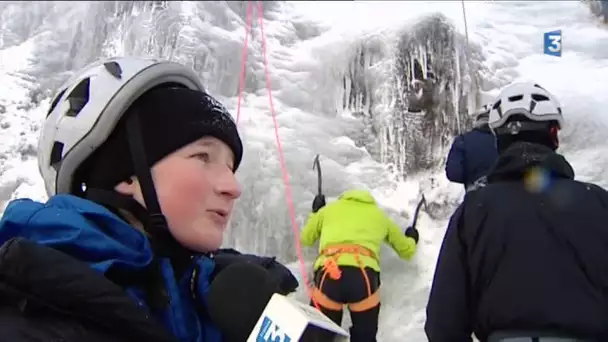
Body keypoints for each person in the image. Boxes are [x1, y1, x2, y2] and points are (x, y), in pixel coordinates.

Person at [0, 57, 298, 341]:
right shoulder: (26, 321)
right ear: (126, 174)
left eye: (231, 167)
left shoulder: (229, 304)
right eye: (203, 157)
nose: (233, 186)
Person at [425, 82, 608, 342]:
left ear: (498, 143)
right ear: (554, 135)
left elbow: (444, 320)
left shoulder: (474, 211)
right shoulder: (600, 202)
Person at [301, 189, 419, 342]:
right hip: (364, 278)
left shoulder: (328, 210)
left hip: (329, 275)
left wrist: (316, 213)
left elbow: (306, 239)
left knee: (319, 338)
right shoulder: (380, 216)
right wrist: (412, 237)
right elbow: (407, 251)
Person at [445, 104, 499, 192]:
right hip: (502, 195)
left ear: (477, 121)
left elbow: (453, 173)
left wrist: (472, 177)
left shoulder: (462, 140)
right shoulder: (504, 140)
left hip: (475, 195)